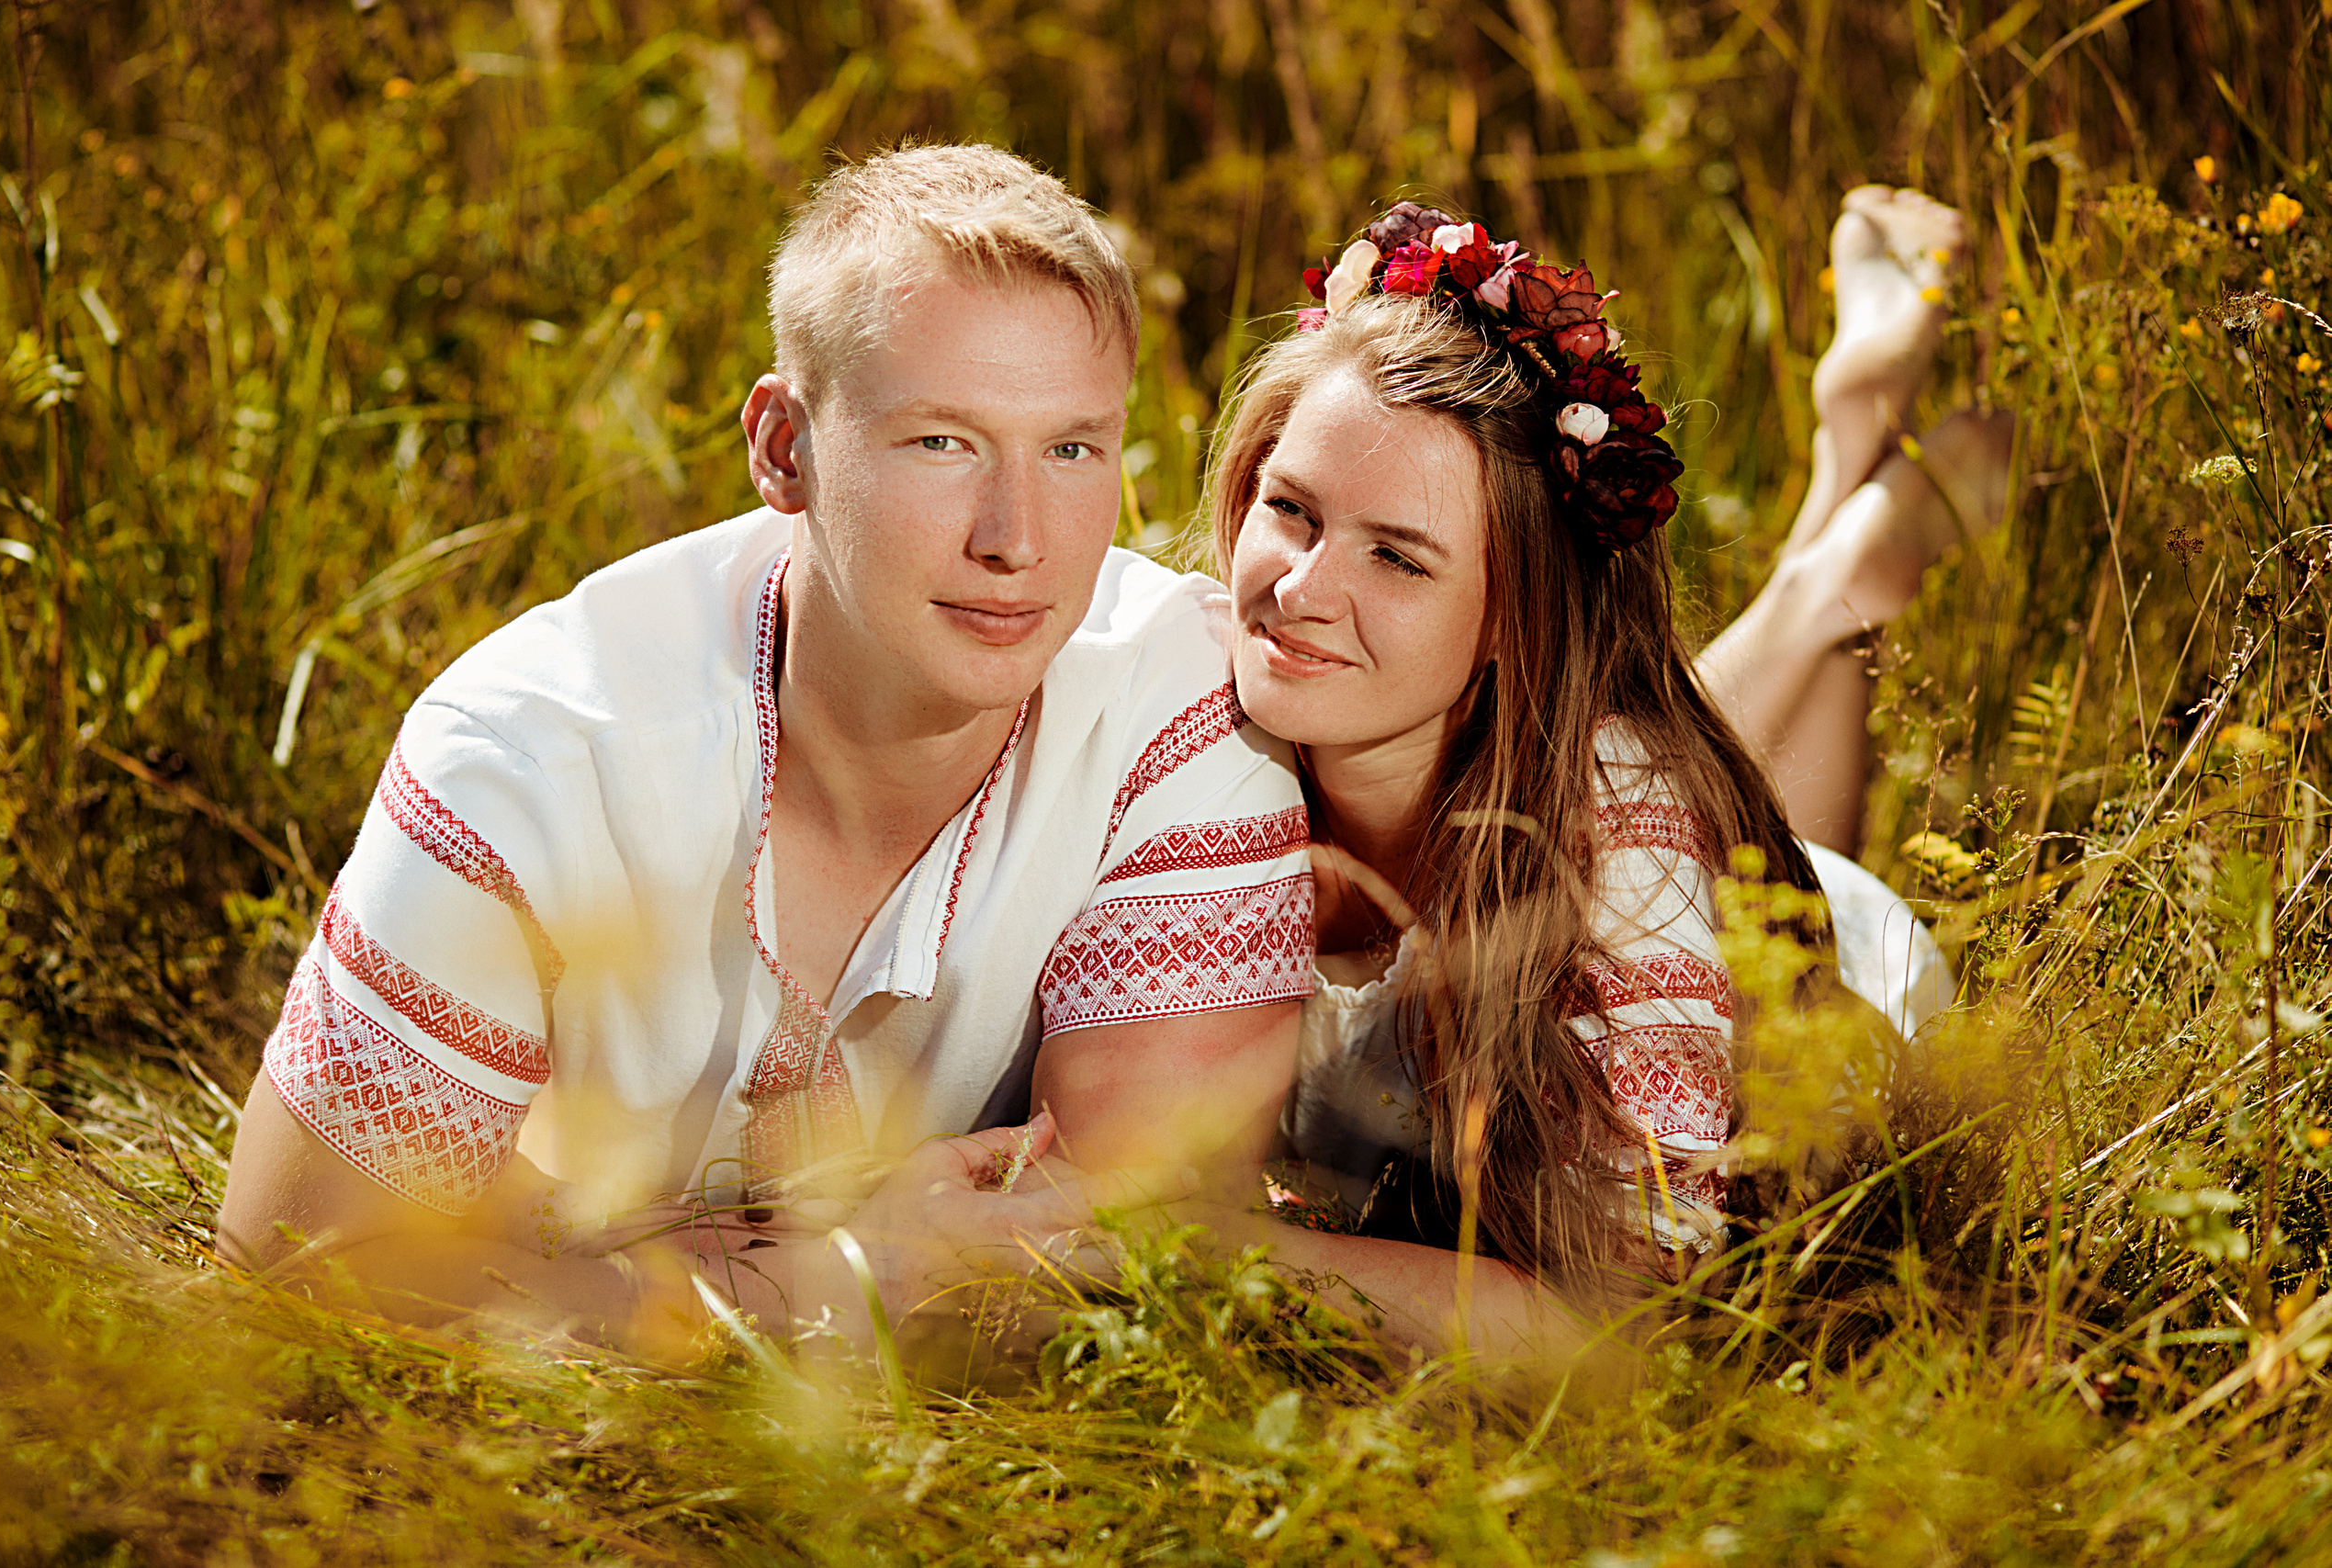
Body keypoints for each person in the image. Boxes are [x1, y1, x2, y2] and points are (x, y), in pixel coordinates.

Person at [213, 144, 1319, 1359]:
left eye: (1071, 448)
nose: (1020, 540)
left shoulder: (1176, 713)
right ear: (783, 447)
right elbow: (298, 1265)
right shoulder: (529, 754)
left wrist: (619, 1280)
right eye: (942, 442)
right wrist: (845, 1277)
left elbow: (1138, 1266)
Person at [1186, 192, 2009, 1359]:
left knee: (1652, 792)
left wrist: (1212, 1250)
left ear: (1513, 615)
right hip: (1596, 781)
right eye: (1292, 509)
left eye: (1398, 557)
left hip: (1787, 958)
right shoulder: (1196, 686)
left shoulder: (1629, 866)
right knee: (1637, 746)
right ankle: (1840, 522)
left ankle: (1845, 565)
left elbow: (1631, 1326)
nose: (1302, 589)